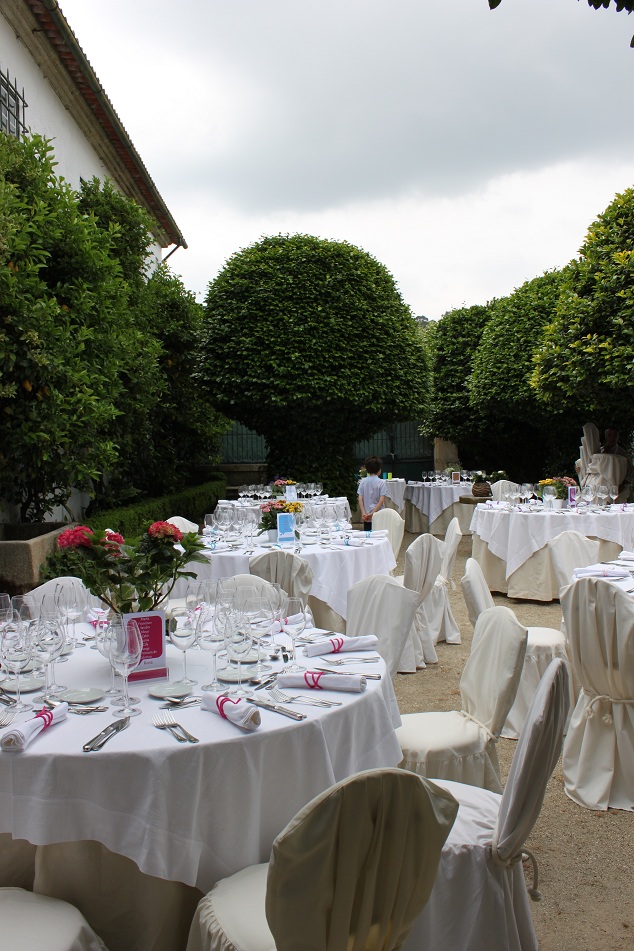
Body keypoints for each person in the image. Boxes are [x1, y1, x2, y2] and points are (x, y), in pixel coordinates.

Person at [600, 427, 634, 499]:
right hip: (601, 490)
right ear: (606, 436)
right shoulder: (599, 451)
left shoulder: (623, 454)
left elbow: (630, 472)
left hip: (619, 491)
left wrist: (622, 486)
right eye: (610, 435)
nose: (612, 438)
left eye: (615, 435)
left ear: (618, 437)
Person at [357, 456, 385, 531]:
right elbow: (381, 500)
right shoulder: (382, 483)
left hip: (366, 516)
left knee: (368, 536)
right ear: (379, 470)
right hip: (378, 515)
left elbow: (360, 498)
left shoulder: (362, 481)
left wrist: (363, 513)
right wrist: (373, 513)